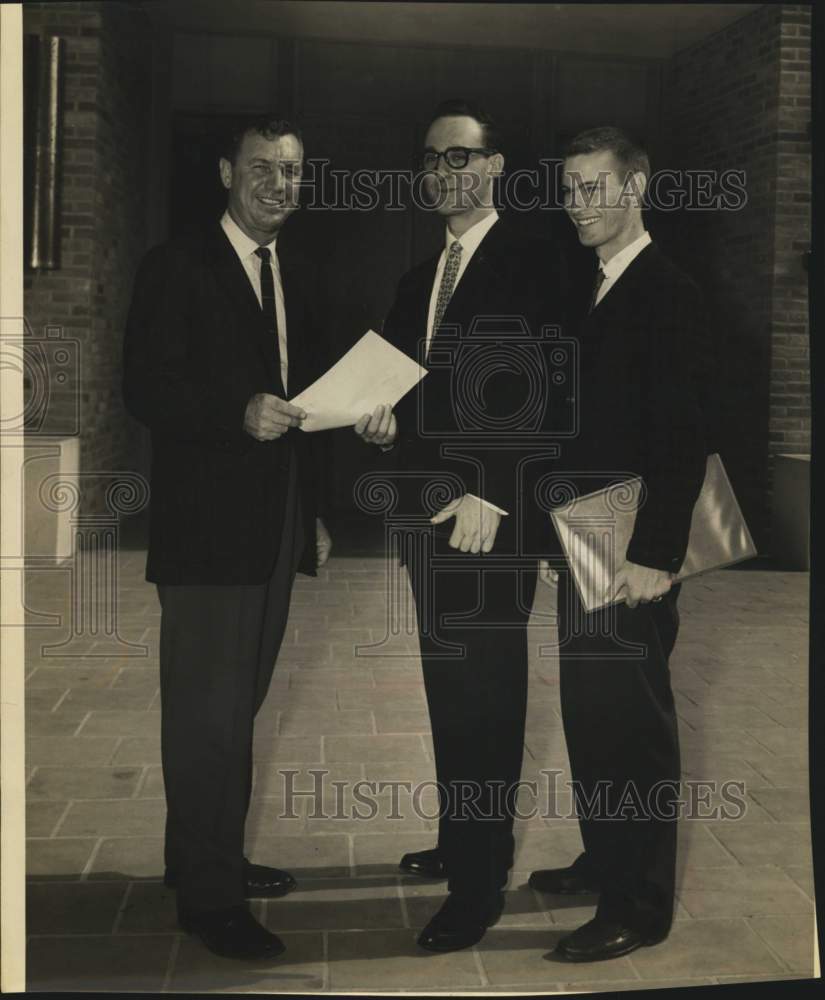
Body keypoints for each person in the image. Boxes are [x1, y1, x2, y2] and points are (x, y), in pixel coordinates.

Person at [122, 115, 332, 961]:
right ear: (224, 173)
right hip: (205, 534)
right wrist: (233, 411)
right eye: (261, 168)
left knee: (233, 705)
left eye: (292, 171)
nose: (279, 185)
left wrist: (310, 511)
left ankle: (196, 858)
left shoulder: (293, 273)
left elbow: (301, 403)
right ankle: (212, 903)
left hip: (273, 526)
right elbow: (144, 387)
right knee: (207, 716)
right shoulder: (176, 265)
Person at [355, 99, 561, 952]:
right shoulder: (420, 279)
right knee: (450, 689)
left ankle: (478, 885)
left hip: (491, 521)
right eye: (431, 158)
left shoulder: (536, 260)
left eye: (460, 157)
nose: (442, 172)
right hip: (426, 517)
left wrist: (495, 491)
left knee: (486, 698)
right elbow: (410, 392)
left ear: (495, 166)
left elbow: (551, 389)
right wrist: (382, 424)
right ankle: (458, 838)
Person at [529, 126, 710, 962]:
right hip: (584, 537)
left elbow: (681, 434)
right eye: (568, 189)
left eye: (593, 187)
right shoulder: (591, 285)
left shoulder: (668, 291)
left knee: (632, 725)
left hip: (631, 546)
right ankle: (606, 857)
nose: (577, 204)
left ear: (635, 188)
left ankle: (638, 905)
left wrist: (656, 555)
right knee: (591, 711)